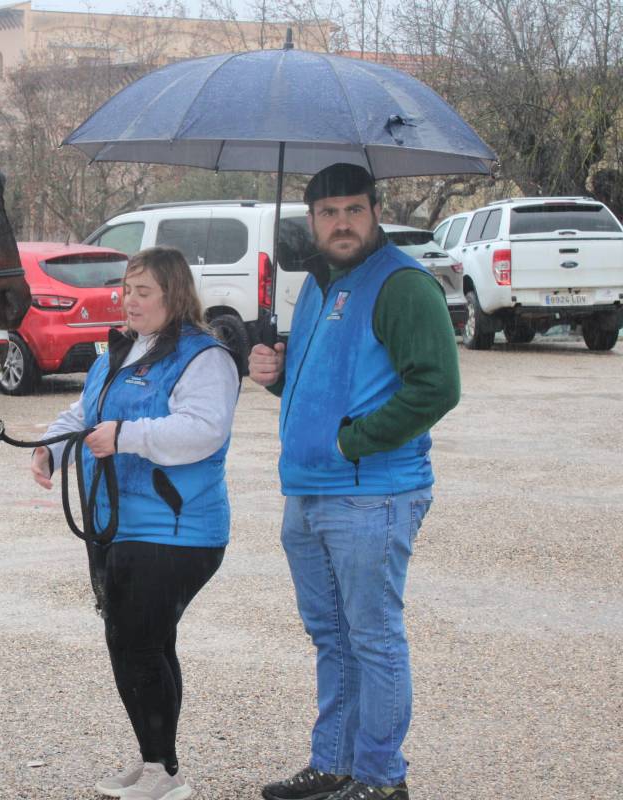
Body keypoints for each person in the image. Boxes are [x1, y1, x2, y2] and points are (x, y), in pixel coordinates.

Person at [251, 163, 460, 800]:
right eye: (328, 213)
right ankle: (334, 763)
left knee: (371, 637)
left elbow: (437, 387)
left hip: (373, 493)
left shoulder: (401, 285)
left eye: (354, 210)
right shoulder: (318, 285)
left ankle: (381, 778)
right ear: (311, 221)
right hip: (307, 491)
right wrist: (277, 376)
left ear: (375, 213)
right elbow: (332, 384)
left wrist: (353, 441)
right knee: (331, 636)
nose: (341, 223)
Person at [29, 247, 240, 800]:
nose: (130, 300)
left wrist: (127, 435)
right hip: (115, 523)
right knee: (131, 640)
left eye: (144, 291)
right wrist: (51, 449)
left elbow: (203, 430)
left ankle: (164, 772)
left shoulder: (203, 357)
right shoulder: (118, 352)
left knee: (139, 642)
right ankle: (153, 758)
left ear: (175, 295)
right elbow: (84, 413)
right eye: (128, 288)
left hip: (174, 528)